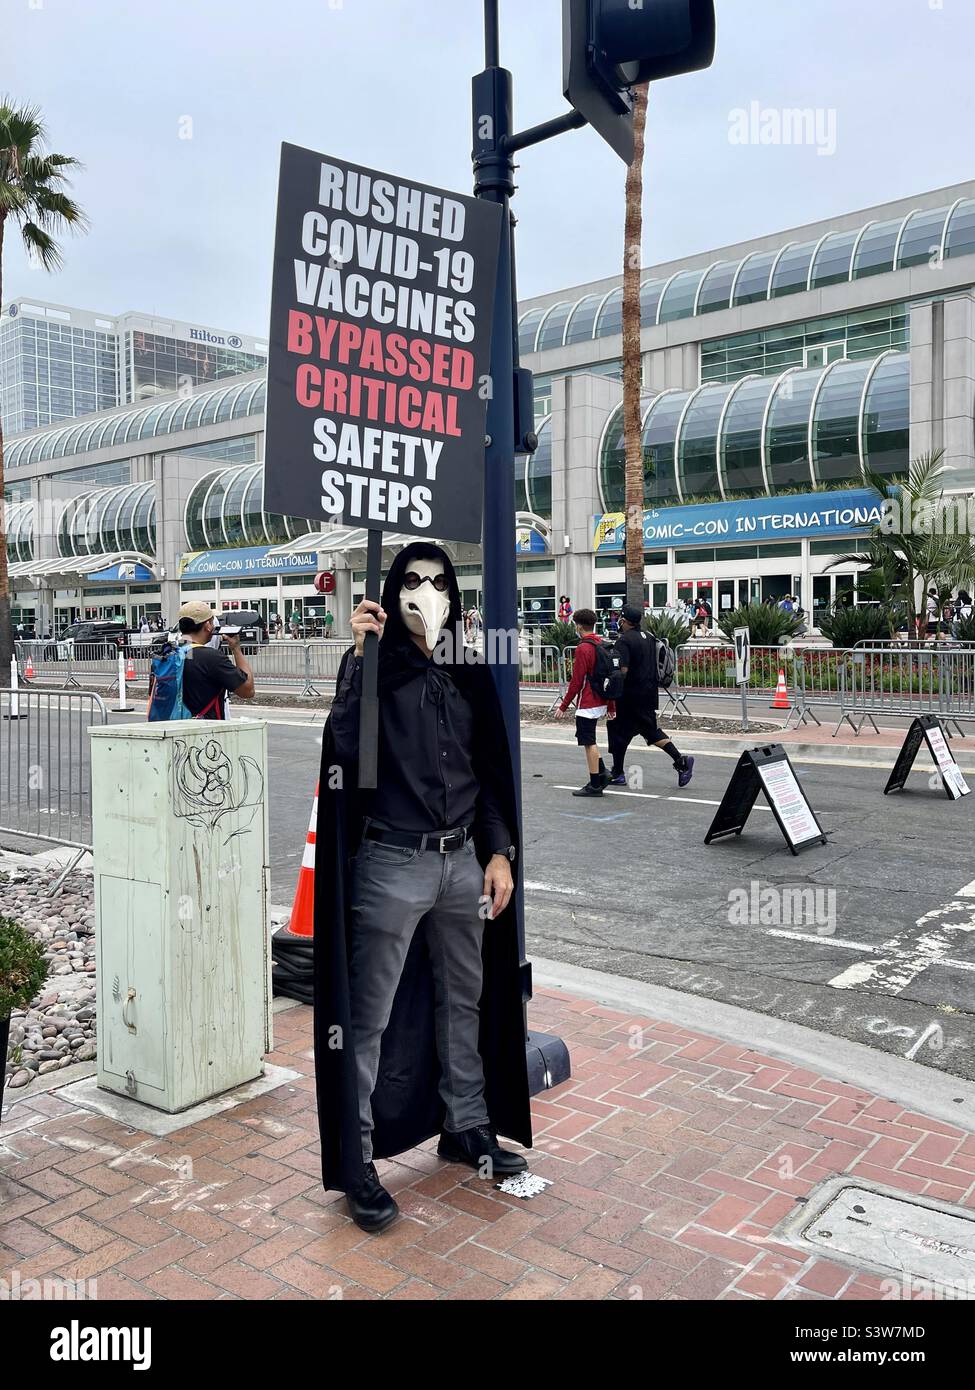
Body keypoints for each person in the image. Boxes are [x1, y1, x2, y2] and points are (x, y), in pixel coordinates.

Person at [314, 541, 531, 1234]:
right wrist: (360, 658)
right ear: (390, 586)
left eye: (438, 581)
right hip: (390, 862)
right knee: (368, 1017)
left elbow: (488, 771)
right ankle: (357, 1158)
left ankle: (466, 1125)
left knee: (462, 999)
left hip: (461, 861)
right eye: (412, 580)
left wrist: (497, 853)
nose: (426, 592)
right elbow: (346, 750)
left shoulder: (466, 671)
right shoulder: (374, 667)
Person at [608, 604, 694, 788]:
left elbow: (623, 670)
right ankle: (681, 762)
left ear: (624, 621)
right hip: (648, 694)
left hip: (629, 696)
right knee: (650, 731)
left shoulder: (624, 641)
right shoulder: (649, 637)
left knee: (618, 731)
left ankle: (618, 773)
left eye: (620, 619)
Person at [554, 608, 616, 797]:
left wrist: (563, 705)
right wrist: (611, 705)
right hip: (601, 699)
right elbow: (610, 676)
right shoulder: (601, 644)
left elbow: (577, 681)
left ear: (579, 626)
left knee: (589, 742)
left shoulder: (583, 648)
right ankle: (603, 773)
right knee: (590, 740)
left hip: (587, 702)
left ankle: (595, 784)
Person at [171, 600, 255, 718]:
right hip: (205, 730)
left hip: (172, 725)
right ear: (208, 626)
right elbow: (248, 690)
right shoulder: (212, 658)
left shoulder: (169, 654)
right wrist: (236, 648)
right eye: (212, 622)